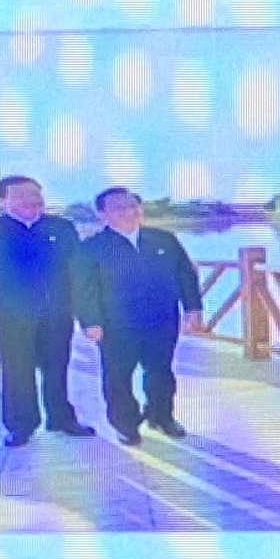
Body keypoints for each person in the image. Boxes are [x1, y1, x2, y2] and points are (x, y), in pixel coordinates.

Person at [0, 174, 92, 444]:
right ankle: (20, 424)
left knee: (58, 366)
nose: (31, 200)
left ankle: (61, 418)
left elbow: (79, 272)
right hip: (10, 314)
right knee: (16, 369)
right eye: (20, 195)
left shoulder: (62, 228)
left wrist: (86, 310)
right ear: (2, 201)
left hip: (57, 311)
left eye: (35, 194)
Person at [74, 186, 203, 444]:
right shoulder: (91, 247)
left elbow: (185, 275)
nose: (128, 212)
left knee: (161, 372)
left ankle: (161, 416)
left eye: (132, 205)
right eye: (119, 208)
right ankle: (126, 425)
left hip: (162, 320)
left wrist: (193, 308)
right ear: (102, 214)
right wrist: (90, 322)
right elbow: (82, 288)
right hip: (115, 325)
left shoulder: (164, 239)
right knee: (118, 377)